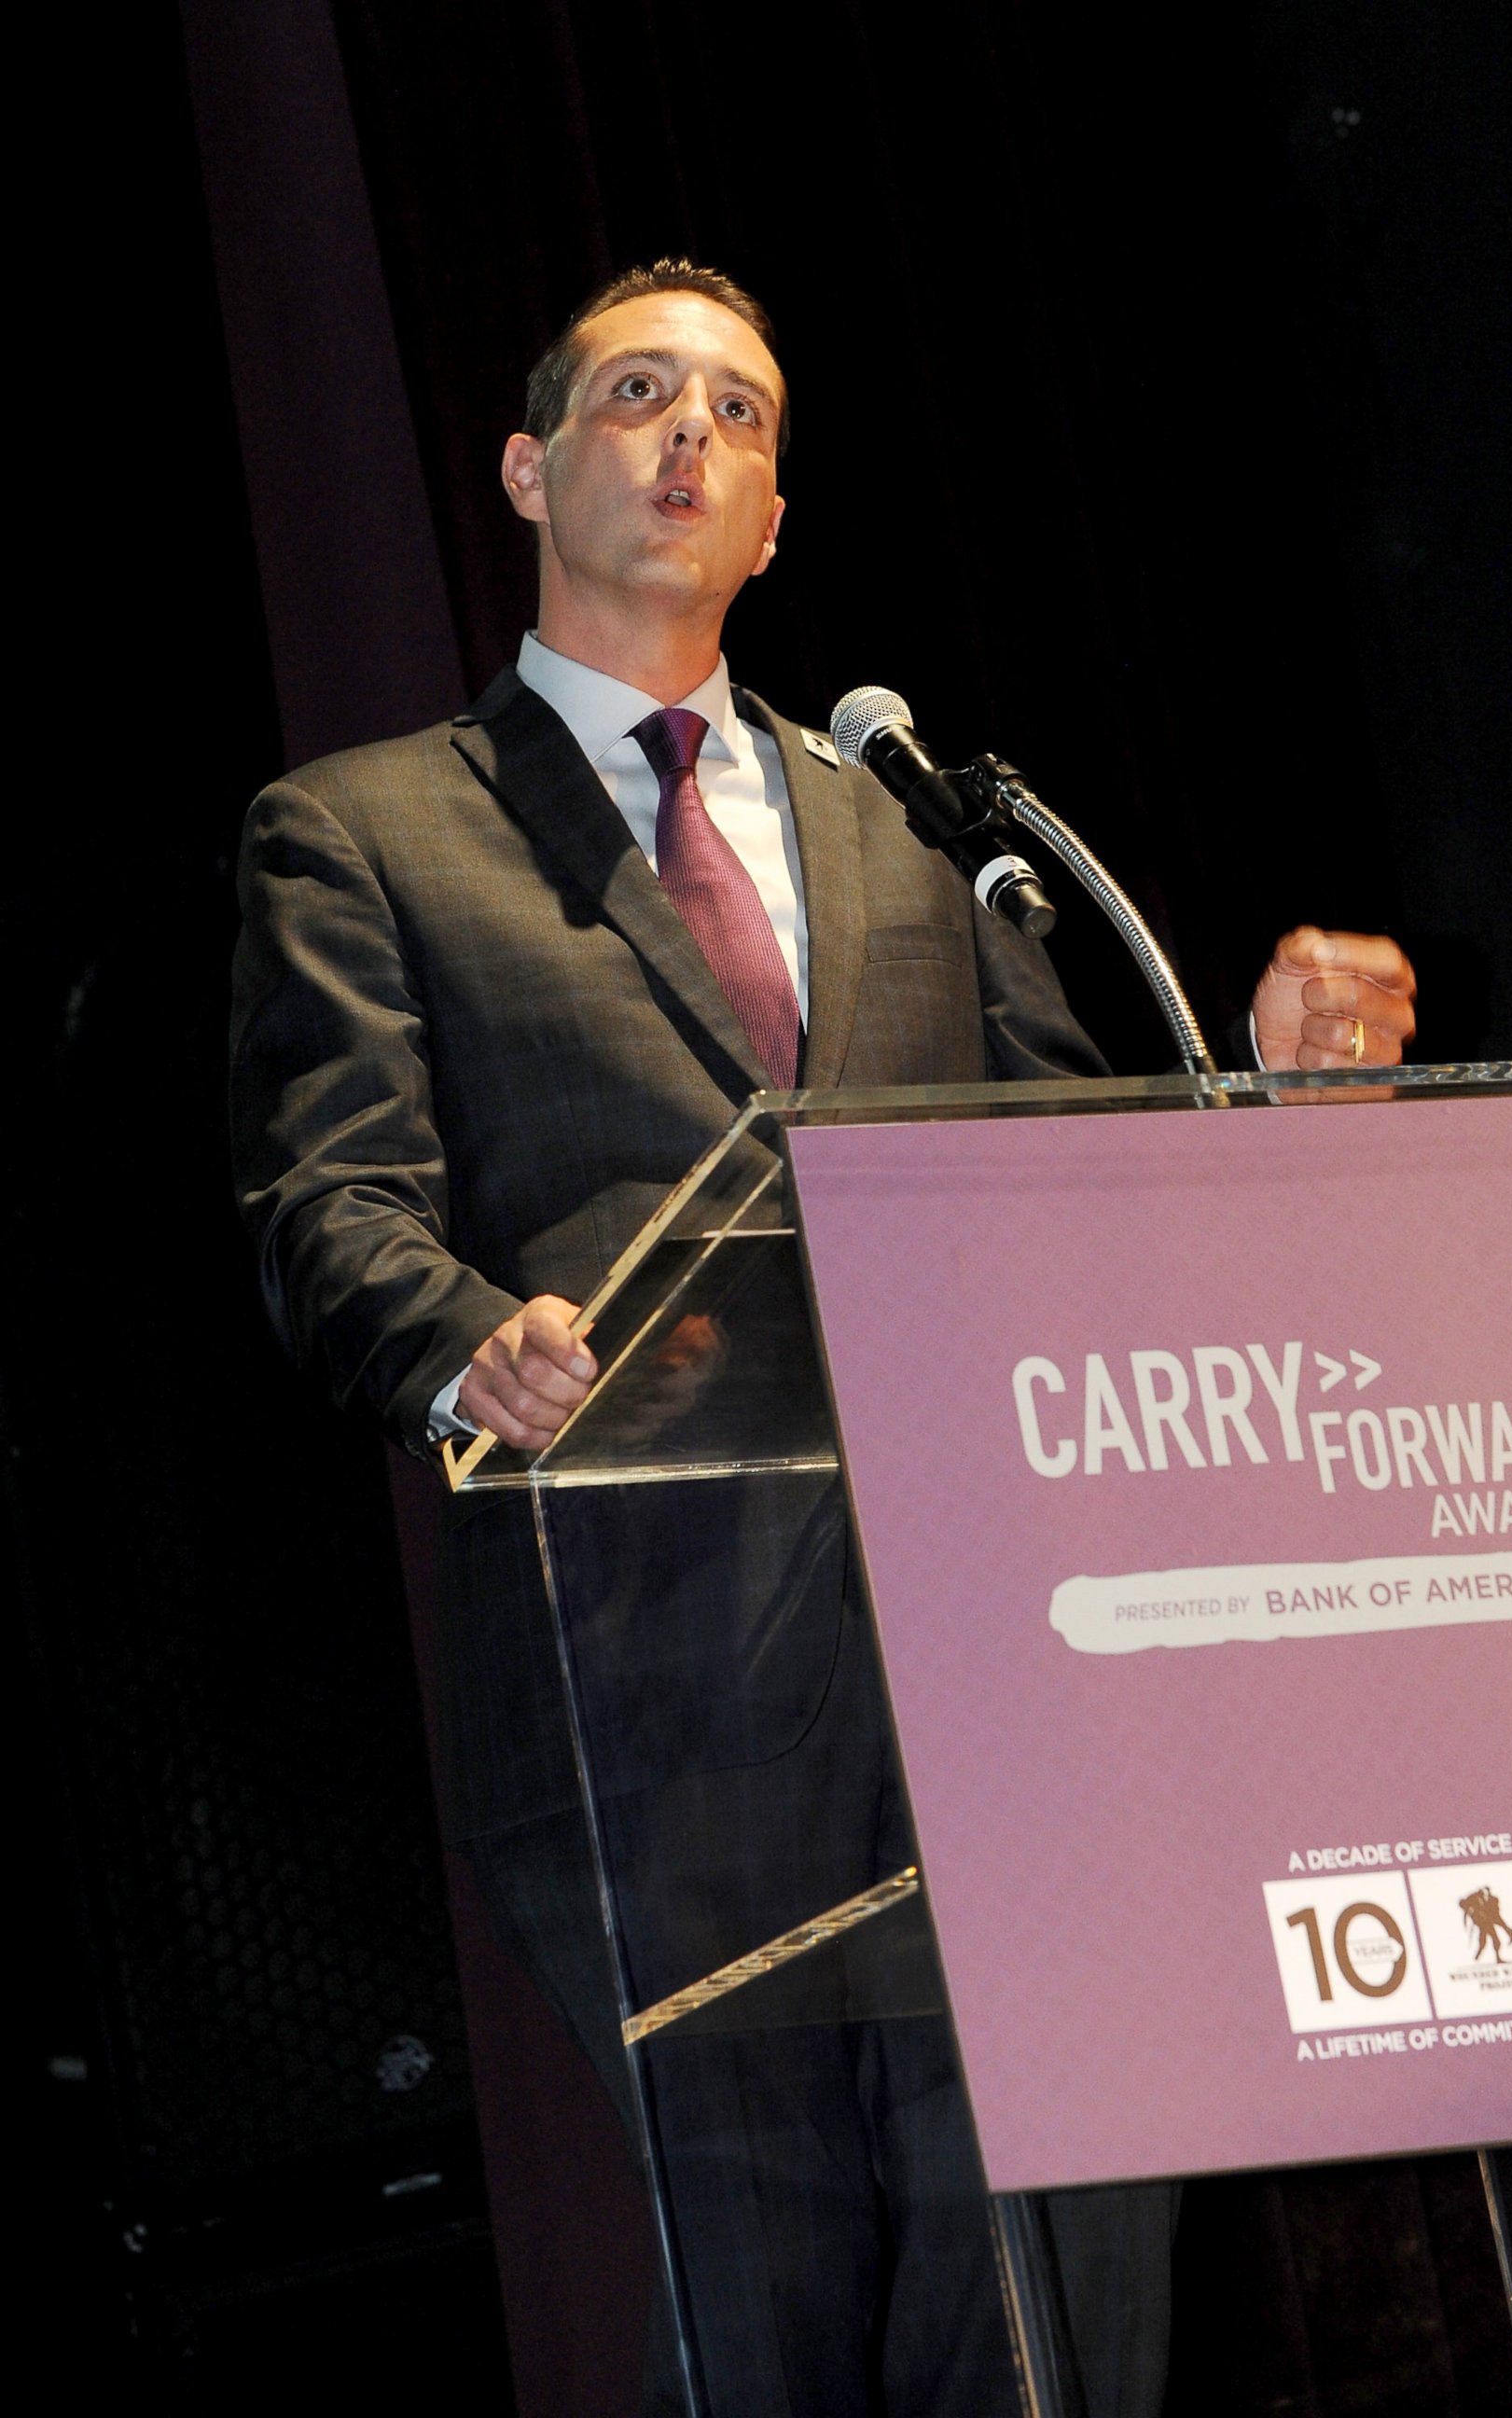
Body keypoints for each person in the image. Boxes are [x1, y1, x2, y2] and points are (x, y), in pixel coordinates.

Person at [230, 258, 1417, 2415]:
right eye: (640, 395)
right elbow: (328, 1208)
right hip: (655, 1702)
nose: (695, 440)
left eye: (744, 418)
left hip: (1012, 1688)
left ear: (773, 520)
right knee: (772, 2333)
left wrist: (1253, 1100)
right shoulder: (364, 830)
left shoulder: (907, 834)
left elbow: (1070, 1197)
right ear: (527, 463)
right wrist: (466, 1340)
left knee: (1051, 2317)